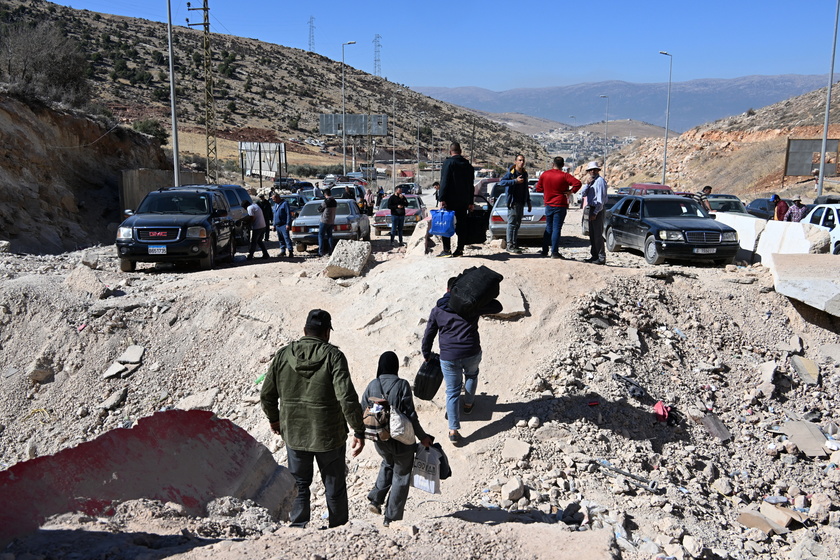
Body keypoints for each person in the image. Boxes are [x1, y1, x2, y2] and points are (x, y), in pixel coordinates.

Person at [260, 309, 366, 528]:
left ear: (304, 330)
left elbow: (266, 395)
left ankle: (299, 528)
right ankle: (338, 530)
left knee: (299, 484)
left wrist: (275, 420)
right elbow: (346, 397)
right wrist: (358, 430)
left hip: (295, 433)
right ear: (327, 333)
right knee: (334, 485)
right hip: (329, 435)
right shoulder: (333, 356)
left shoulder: (283, 355)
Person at [421, 276, 502, 445]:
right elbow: (498, 306)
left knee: (452, 391)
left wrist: (426, 353)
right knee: (472, 376)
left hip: (449, 356)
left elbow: (429, 333)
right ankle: (468, 405)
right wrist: (479, 296)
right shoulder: (471, 305)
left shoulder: (438, 309)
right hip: (471, 351)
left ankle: (453, 430)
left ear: (447, 289)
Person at [361, 351, 433, 527]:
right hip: (401, 440)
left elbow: (363, 408)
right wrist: (422, 437)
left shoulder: (372, 385)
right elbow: (410, 415)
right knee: (401, 474)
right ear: (395, 366)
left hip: (380, 439)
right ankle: (390, 517)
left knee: (387, 463)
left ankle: (375, 500)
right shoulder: (402, 385)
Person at [534, 156, 582, 259]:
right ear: (563, 165)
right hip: (560, 204)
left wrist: (547, 191)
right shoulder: (564, 176)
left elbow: (538, 188)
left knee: (549, 227)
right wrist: (570, 191)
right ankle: (554, 252)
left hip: (548, 204)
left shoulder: (545, 174)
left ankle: (544, 250)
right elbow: (577, 183)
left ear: (553, 164)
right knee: (557, 228)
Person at [437, 142, 475, 258]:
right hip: (463, 200)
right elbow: (471, 185)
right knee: (462, 224)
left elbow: (444, 181)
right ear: (461, 151)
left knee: (446, 222)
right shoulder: (468, 165)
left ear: (450, 152)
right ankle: (460, 249)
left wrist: (441, 198)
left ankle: (446, 249)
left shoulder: (448, 163)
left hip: (450, 199)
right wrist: (471, 201)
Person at [498, 154, 531, 253]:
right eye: (520, 160)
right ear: (515, 161)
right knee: (511, 224)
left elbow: (526, 189)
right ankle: (509, 245)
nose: (521, 162)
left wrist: (528, 202)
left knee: (517, 224)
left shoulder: (525, 174)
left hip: (521, 202)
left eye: (523, 161)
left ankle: (514, 244)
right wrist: (515, 181)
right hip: (513, 202)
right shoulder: (511, 173)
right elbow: (502, 182)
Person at [579, 161, 608, 265]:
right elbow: (583, 194)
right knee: (592, 233)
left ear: (597, 170)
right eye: (590, 170)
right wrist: (587, 184)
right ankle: (594, 255)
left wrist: (595, 213)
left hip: (597, 209)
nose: (592, 171)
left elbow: (600, 200)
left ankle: (601, 256)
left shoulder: (600, 182)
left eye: (594, 170)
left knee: (597, 234)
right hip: (591, 207)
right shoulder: (591, 181)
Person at [271, 193, 294, 258]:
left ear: (278, 198)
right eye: (272, 199)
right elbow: (274, 215)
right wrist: (274, 225)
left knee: (286, 238)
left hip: (283, 225)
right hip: (278, 225)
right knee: (280, 239)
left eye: (274, 199)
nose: (273, 200)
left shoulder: (285, 203)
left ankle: (290, 251)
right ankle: (283, 251)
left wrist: (288, 224)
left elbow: (288, 214)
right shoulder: (275, 205)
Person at [318, 188, 337, 257]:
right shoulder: (334, 201)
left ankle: (320, 252)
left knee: (321, 236)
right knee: (330, 236)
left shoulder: (326, 201)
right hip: (331, 221)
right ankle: (330, 251)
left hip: (324, 221)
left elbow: (319, 209)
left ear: (325, 194)